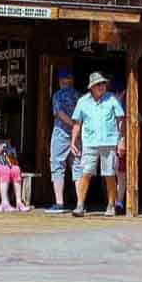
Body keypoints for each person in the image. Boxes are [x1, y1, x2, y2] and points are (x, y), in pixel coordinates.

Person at [70, 72, 125, 217]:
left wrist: (121, 141)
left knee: (109, 174)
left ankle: (111, 205)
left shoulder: (112, 98)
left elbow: (121, 120)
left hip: (109, 142)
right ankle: (80, 205)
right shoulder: (82, 101)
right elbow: (77, 123)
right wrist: (73, 141)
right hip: (90, 142)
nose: (102, 86)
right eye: (98, 84)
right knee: (85, 173)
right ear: (91, 87)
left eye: (103, 83)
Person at [46, 68, 82, 214]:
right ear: (71, 80)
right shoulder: (79, 96)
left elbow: (59, 113)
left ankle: (59, 203)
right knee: (78, 166)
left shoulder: (58, 95)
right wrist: (76, 127)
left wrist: (71, 124)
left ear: (61, 81)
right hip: (77, 135)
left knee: (57, 165)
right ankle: (81, 202)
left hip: (61, 133)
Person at [111, 78, 128, 214]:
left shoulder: (129, 105)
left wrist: (122, 140)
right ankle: (112, 201)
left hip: (122, 144)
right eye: (115, 92)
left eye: (120, 91)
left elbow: (137, 121)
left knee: (121, 174)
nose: (118, 94)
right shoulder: (108, 104)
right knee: (109, 173)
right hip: (108, 144)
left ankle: (119, 202)